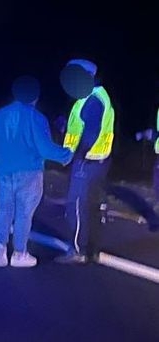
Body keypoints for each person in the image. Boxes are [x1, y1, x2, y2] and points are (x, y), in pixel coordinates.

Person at [0, 76, 72, 267]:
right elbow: (45, 148)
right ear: (35, 96)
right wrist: (66, 155)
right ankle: (19, 254)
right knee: (24, 212)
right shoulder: (36, 117)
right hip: (29, 173)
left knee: (4, 209)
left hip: (4, 171)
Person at [57, 59, 115, 264]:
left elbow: (91, 131)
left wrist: (79, 155)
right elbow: (84, 127)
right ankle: (91, 250)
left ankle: (78, 250)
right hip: (98, 161)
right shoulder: (95, 96)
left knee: (76, 205)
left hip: (87, 162)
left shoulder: (92, 99)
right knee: (91, 206)